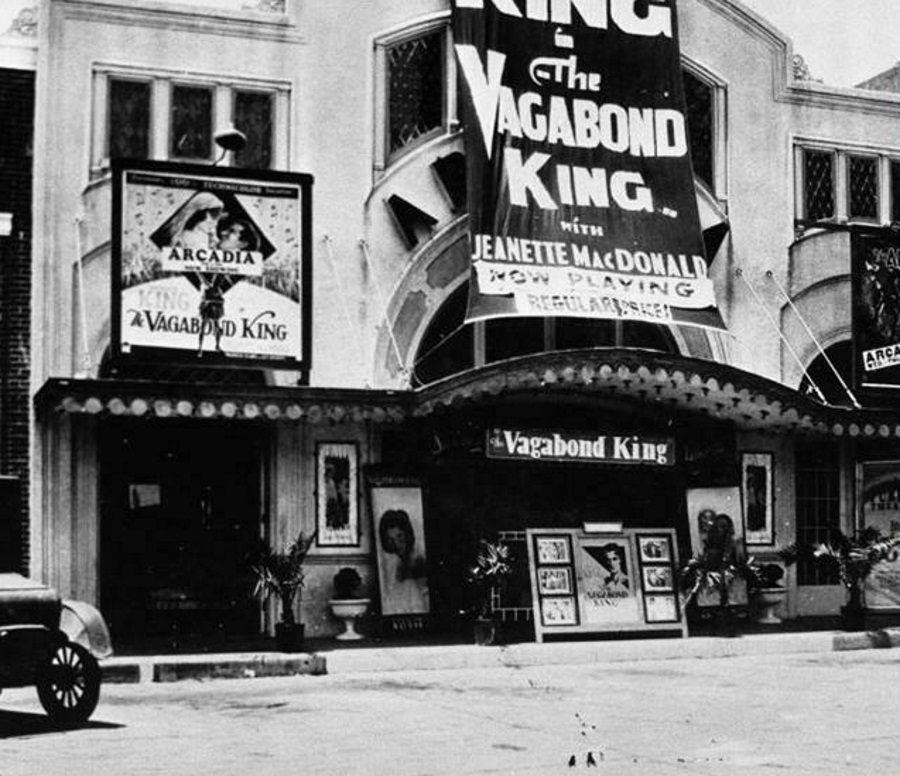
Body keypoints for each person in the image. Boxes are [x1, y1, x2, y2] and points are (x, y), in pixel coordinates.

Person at [378, 509, 428, 614]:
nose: (397, 545)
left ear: (407, 534)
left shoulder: (420, 558)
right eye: (391, 540)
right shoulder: (394, 563)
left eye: (400, 536)